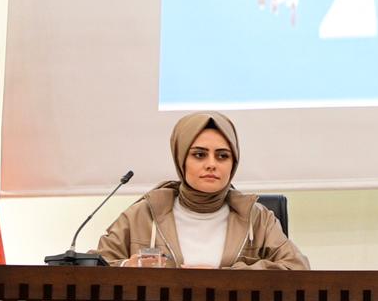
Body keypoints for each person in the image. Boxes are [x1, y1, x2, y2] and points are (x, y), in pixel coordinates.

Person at [96, 112, 309, 269]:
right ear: (181, 159)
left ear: (233, 163)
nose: (211, 164)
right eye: (199, 155)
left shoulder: (257, 217)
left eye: (222, 156)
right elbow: (92, 268)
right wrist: (126, 266)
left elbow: (297, 268)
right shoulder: (144, 213)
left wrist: (225, 277)